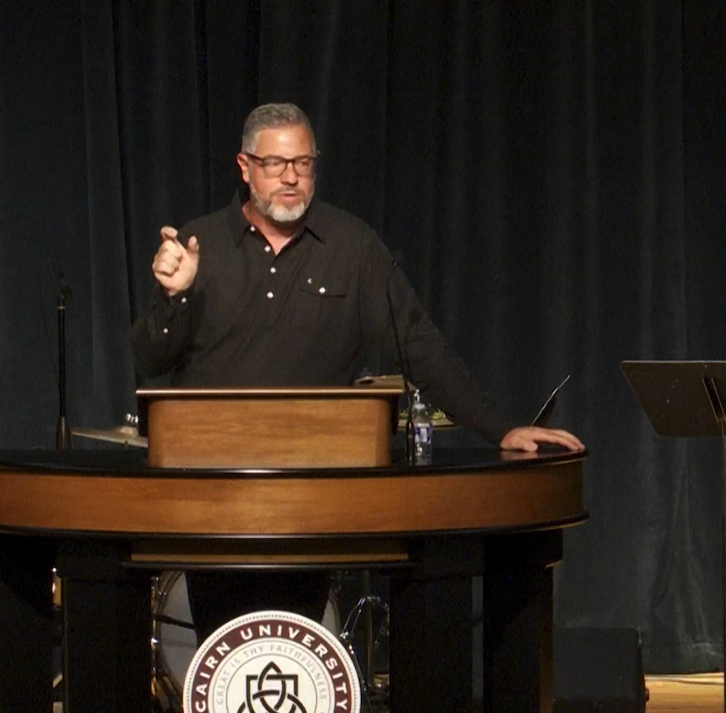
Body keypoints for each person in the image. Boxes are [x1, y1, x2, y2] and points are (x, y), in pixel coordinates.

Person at [132, 102, 583, 642]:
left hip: (314, 497)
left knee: (292, 644)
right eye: (277, 164)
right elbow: (150, 360)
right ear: (245, 166)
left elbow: (420, 346)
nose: (292, 177)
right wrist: (173, 298)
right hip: (212, 497)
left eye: (304, 162)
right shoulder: (198, 243)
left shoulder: (352, 246)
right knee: (224, 651)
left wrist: (499, 427)